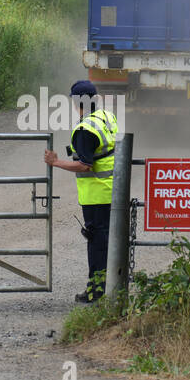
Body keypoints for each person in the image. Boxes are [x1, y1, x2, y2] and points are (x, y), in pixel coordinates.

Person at [43, 80, 118, 303]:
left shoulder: (85, 129)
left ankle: (96, 292)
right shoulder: (106, 117)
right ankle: (110, 288)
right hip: (112, 190)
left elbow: (85, 165)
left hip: (97, 194)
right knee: (106, 242)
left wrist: (55, 162)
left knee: (97, 244)